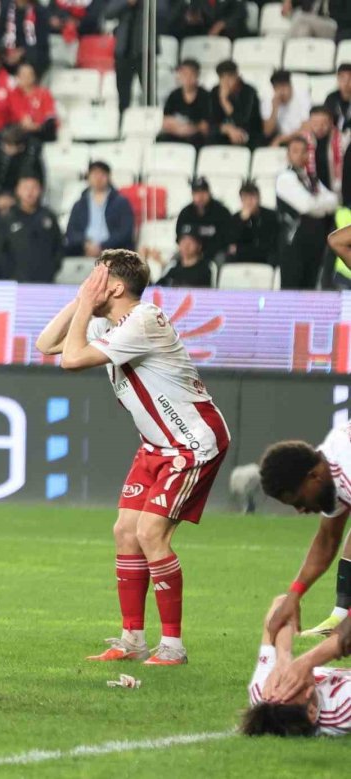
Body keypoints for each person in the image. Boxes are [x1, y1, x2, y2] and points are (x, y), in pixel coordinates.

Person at [36, 253, 230, 665]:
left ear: (116, 288)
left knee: (150, 533)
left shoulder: (143, 320)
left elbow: (70, 360)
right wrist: (82, 300)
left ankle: (173, 646)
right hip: (155, 445)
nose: (90, 280)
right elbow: (46, 344)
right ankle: (132, 640)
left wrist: (87, 305)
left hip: (191, 442)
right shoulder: (108, 321)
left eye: (97, 276)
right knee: (126, 530)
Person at [257, 421, 351, 644]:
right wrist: (294, 594)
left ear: (314, 476)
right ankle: (340, 615)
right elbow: (327, 540)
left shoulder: (346, 471)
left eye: (298, 500)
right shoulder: (330, 461)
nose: (300, 510)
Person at [240, 594, 351, 737]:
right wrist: (307, 661)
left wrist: (283, 657)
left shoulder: (265, 692)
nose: (283, 684)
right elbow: (347, 636)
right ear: (311, 711)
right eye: (289, 690)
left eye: (275, 694)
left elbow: (281, 603)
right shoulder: (342, 708)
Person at [276, 135, 338, 289]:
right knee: (292, 291)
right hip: (294, 244)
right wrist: (321, 206)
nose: (299, 155)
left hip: (314, 242)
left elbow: (334, 201)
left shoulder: (311, 178)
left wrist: (318, 205)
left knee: (309, 290)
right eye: (295, 151)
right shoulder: (285, 178)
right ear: (288, 154)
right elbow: (306, 206)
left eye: (303, 151)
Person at [0, 174, 62, 282]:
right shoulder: (7, 219)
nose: (30, 192)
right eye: (25, 187)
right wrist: (10, 274)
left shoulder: (49, 217)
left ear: (41, 190)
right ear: (17, 190)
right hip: (15, 282)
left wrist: (51, 270)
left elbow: (58, 247)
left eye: (34, 187)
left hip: (46, 282)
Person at [107, 0, 167, 116]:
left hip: (145, 52)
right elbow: (108, 13)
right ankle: (123, 124)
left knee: (150, 94)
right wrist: (127, 2)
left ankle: (151, 123)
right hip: (124, 51)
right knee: (123, 96)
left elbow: (163, 11)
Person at [65, 161, 135, 257]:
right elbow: (71, 231)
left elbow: (125, 232)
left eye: (102, 174)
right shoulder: (79, 204)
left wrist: (102, 246)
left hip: (113, 251)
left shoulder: (121, 202)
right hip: (84, 250)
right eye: (94, 174)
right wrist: (86, 244)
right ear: (88, 177)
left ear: (109, 177)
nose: (98, 178)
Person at [0, 125, 44, 214]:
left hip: (19, 196)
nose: (5, 149)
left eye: (9, 146)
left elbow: (34, 178)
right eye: (5, 145)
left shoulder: (32, 151)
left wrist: (16, 199)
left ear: (20, 147)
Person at [175, 177, 232, 262]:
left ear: (209, 193)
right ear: (192, 195)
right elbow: (179, 237)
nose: (200, 196)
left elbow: (226, 239)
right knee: (174, 260)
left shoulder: (221, 212)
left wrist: (205, 253)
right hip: (191, 252)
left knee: (221, 259)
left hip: (215, 253)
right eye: (197, 193)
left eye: (203, 192)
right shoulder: (185, 213)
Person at [157, 59, 210, 148]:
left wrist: (190, 129)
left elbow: (205, 126)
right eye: (184, 74)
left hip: (195, 135)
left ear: (197, 75)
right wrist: (179, 130)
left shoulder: (205, 96)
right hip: (176, 132)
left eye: (191, 74)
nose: (187, 78)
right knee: (161, 139)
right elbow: (166, 121)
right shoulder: (174, 95)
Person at [211, 60, 263, 149]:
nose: (226, 83)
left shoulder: (249, 92)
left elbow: (243, 121)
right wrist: (228, 129)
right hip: (224, 134)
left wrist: (225, 101)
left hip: (248, 134)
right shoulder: (215, 91)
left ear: (237, 76)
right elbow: (212, 122)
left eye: (230, 77)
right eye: (223, 78)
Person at [0, 0, 49, 80]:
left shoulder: (40, 11)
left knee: (34, 56)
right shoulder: (6, 8)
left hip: (32, 54)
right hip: (8, 52)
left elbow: (42, 41)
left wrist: (21, 53)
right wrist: (6, 52)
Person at [4, 61, 57, 142]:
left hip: (41, 133)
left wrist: (37, 126)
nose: (27, 77)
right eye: (23, 75)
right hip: (17, 133)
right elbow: (15, 114)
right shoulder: (11, 94)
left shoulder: (44, 93)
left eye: (30, 74)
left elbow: (49, 116)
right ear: (17, 77)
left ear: (34, 76)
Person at [227, 181, 279, 265]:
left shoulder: (270, 216)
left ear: (258, 198)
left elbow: (268, 244)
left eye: (252, 197)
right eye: (245, 198)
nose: (249, 202)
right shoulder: (236, 218)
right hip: (243, 257)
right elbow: (232, 244)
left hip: (265, 256)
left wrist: (241, 249)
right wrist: (243, 221)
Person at [262, 71, 310, 148]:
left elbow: (306, 127)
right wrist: (274, 109)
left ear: (290, 86)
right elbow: (267, 132)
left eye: (283, 87)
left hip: (300, 138)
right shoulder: (269, 99)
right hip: (281, 139)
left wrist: (281, 139)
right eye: (277, 88)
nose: (281, 92)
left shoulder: (302, 97)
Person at [305, 105, 346, 197]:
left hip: (339, 191)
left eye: (324, 123)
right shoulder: (303, 142)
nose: (319, 127)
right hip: (314, 194)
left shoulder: (343, 140)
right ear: (309, 123)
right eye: (315, 124)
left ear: (331, 122)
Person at [168, 0, 247, 39]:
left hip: (228, 35)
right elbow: (175, 18)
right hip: (201, 34)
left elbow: (240, 13)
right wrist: (189, 19)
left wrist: (222, 24)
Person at [325, 64, 351, 134]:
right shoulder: (331, 98)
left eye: (350, 79)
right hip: (334, 135)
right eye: (343, 78)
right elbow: (326, 119)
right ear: (338, 79)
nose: (346, 82)